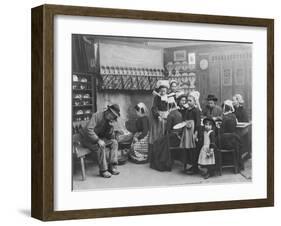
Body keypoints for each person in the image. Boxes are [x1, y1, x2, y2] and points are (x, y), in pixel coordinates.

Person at [79, 104, 121, 178]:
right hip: (88, 139)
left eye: (114, 116)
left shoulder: (109, 121)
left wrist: (111, 127)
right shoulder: (97, 115)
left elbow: (109, 137)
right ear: (108, 111)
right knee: (101, 145)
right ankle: (103, 170)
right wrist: (98, 140)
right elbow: (89, 129)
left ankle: (112, 167)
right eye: (111, 114)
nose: (112, 116)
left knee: (114, 142)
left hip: (99, 139)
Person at [150, 99, 183, 171]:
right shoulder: (179, 113)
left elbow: (167, 129)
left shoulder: (171, 115)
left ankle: (162, 163)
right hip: (180, 137)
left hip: (173, 137)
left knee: (157, 143)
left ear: (169, 106)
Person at [180, 91, 202, 174]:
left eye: (190, 101)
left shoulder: (196, 111)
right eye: (187, 101)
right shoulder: (187, 110)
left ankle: (195, 167)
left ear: (195, 101)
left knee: (194, 150)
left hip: (193, 132)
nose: (188, 102)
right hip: (187, 131)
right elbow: (185, 120)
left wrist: (195, 134)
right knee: (188, 149)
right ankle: (190, 165)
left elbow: (198, 124)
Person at [149, 80, 170, 146]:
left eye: (164, 91)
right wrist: (158, 116)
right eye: (161, 91)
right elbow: (154, 108)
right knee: (159, 131)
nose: (163, 92)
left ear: (166, 91)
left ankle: (164, 143)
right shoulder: (157, 98)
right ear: (159, 91)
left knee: (166, 130)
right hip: (159, 116)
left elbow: (171, 106)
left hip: (167, 115)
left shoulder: (169, 97)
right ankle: (158, 143)